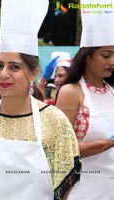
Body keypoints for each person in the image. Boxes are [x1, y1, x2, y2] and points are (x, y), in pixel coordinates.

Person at [0, 0, 81, 199]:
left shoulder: (55, 121)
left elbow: (65, 187)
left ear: (33, 72)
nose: (3, 74)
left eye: (14, 67)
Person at [55, 0, 114, 199]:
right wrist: (108, 143)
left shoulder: (112, 91)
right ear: (87, 56)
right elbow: (62, 148)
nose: (112, 62)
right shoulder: (71, 92)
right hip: (84, 191)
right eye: (106, 55)